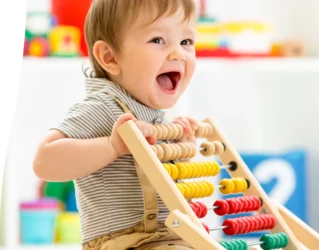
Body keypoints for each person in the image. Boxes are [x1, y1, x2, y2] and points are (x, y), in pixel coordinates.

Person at [33, 0, 199, 249]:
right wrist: (113, 145)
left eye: (186, 42)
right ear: (110, 57)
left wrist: (179, 152)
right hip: (122, 241)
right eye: (157, 40)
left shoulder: (152, 114)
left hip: (166, 238)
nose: (178, 53)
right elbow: (44, 162)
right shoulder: (104, 107)